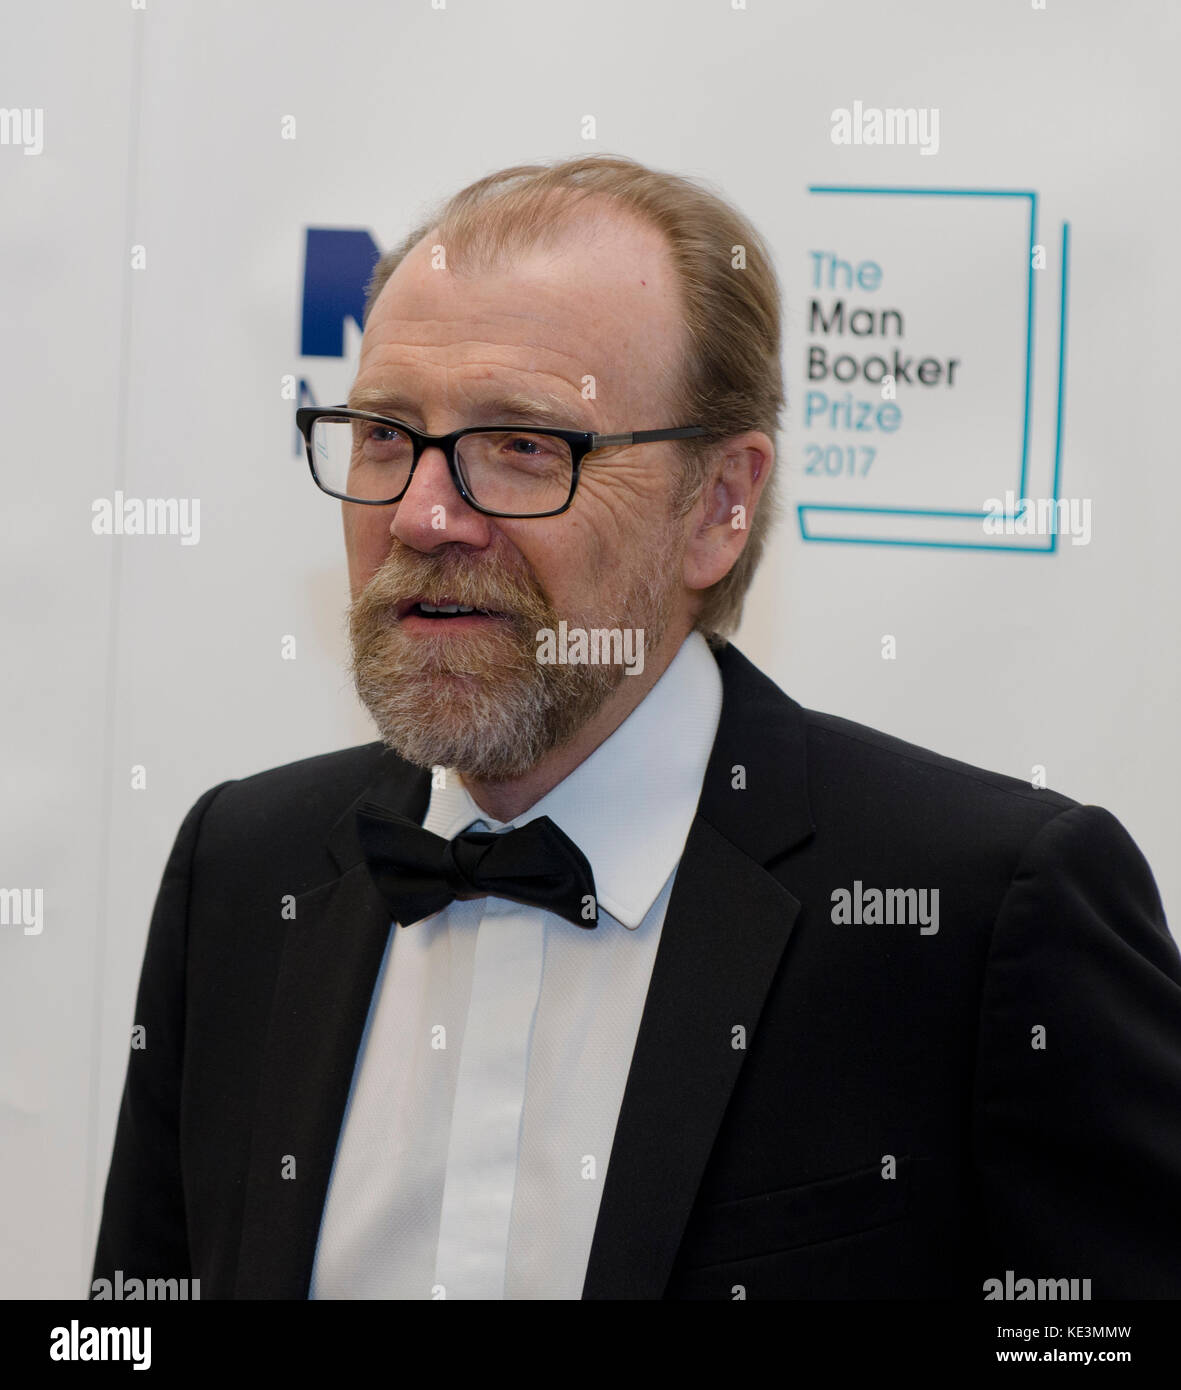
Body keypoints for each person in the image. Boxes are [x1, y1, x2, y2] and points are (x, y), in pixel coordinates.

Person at [92, 154, 1181, 1300]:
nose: (423, 511)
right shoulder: (242, 865)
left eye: (524, 445)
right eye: (383, 432)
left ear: (716, 507)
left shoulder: (982, 911)